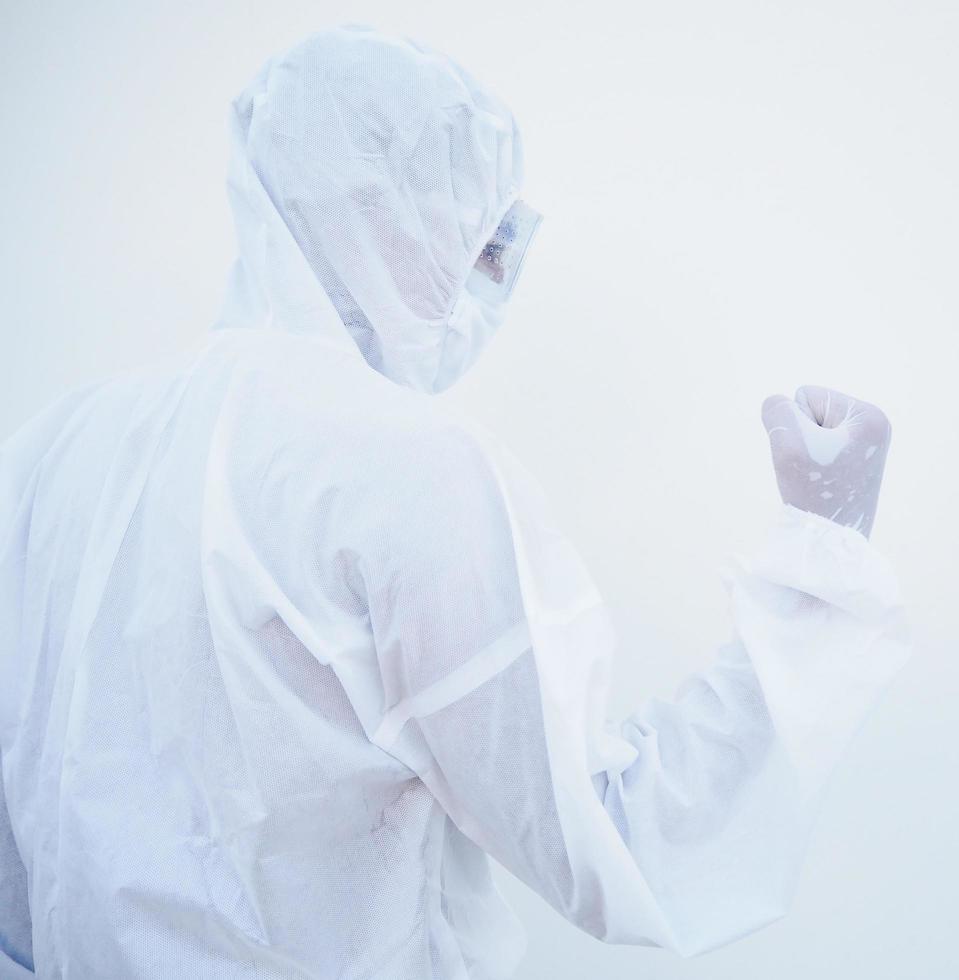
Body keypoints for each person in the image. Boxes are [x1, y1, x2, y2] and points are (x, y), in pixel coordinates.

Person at [0, 26, 910, 980]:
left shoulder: (50, 457)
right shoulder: (395, 468)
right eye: (474, 237)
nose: (491, 280)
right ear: (378, 211)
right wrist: (823, 554)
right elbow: (617, 839)